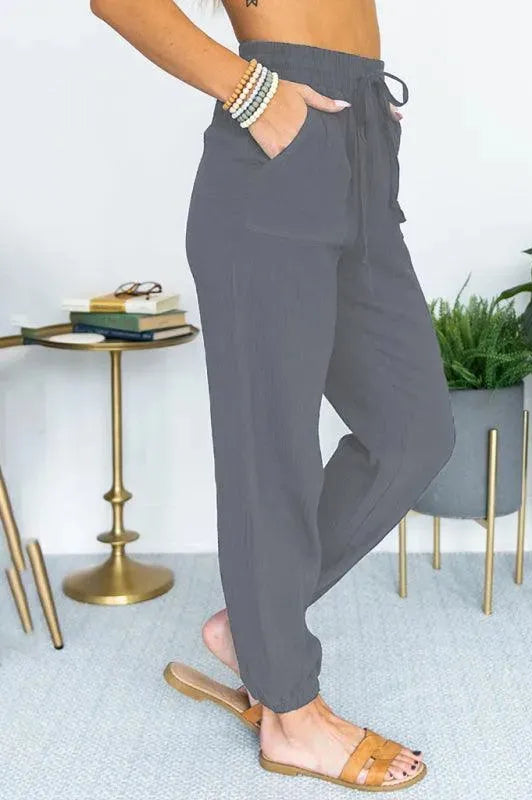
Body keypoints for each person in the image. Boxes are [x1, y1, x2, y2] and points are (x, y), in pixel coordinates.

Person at [91, 0, 456, 791]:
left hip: (361, 137)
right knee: (274, 449)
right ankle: (291, 714)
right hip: (274, 142)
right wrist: (252, 91)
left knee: (414, 431)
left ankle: (256, 631)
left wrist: (363, 110)